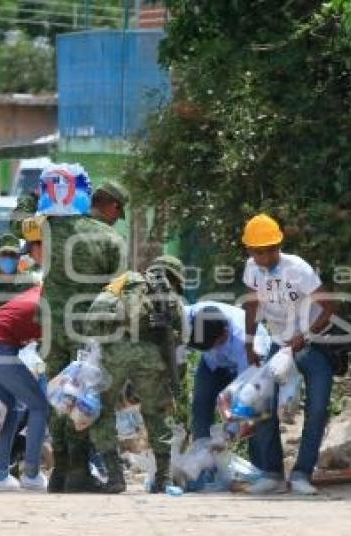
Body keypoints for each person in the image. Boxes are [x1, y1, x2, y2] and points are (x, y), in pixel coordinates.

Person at [37, 165, 126, 492]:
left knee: (56, 395)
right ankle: (77, 472)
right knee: (81, 395)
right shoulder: (110, 239)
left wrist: (36, 196)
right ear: (112, 206)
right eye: (120, 212)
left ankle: (60, 472)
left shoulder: (51, 227)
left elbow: (19, 221)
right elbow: (119, 293)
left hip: (50, 327)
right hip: (86, 329)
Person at [240, 214, 337, 495]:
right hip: (278, 344)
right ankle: (272, 473)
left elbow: (330, 307)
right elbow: (251, 306)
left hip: (314, 343)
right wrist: (249, 344)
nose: (266, 256)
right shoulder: (252, 270)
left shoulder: (298, 269)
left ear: (279, 245)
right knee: (263, 404)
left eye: (271, 249)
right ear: (250, 252)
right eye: (259, 252)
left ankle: (302, 473)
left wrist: (303, 338)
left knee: (317, 408)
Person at [85, 255, 186, 493]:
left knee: (103, 409)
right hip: (150, 356)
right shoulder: (171, 300)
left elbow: (97, 311)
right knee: (156, 413)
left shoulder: (127, 281)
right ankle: (163, 478)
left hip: (113, 351)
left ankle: (114, 476)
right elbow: (178, 341)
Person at [0, 284, 48, 492]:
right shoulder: (47, 305)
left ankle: (0, 476)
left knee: (11, 410)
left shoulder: (38, 292)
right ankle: (31, 475)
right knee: (39, 406)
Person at [185, 302, 270, 441]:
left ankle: (260, 459)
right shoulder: (192, 316)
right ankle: (201, 450)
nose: (213, 348)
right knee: (201, 403)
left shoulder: (248, 345)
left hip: (248, 367)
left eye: (216, 344)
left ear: (225, 332)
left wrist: (230, 434)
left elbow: (246, 393)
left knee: (255, 419)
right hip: (212, 363)